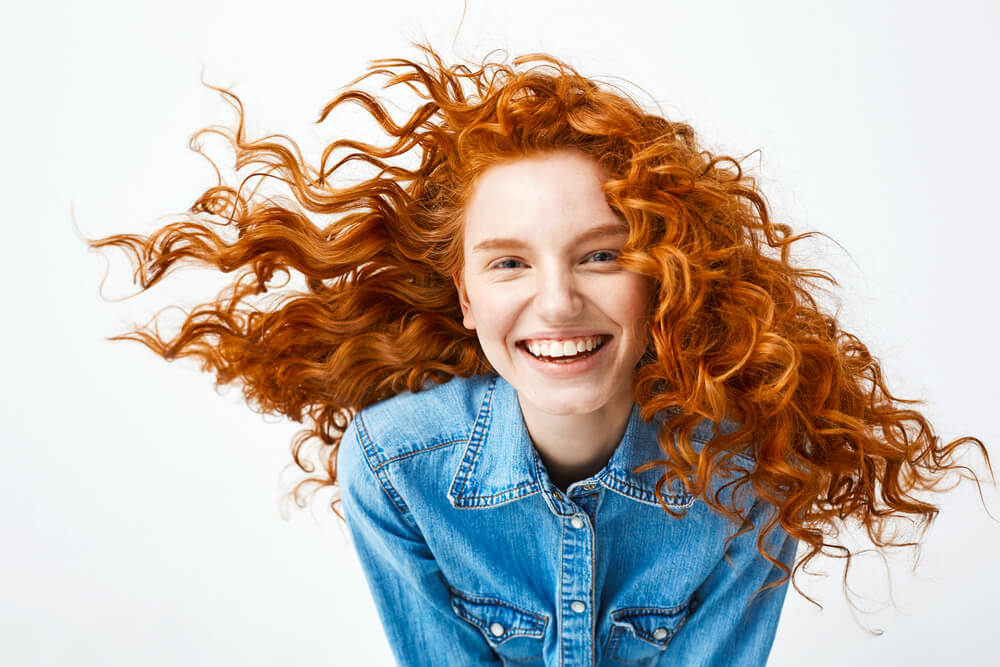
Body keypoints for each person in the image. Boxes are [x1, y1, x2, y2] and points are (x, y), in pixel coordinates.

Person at [85, 43, 992, 666]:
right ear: (467, 293)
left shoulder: (750, 473)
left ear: (661, 278)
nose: (556, 301)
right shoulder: (394, 466)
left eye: (601, 254)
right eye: (510, 262)